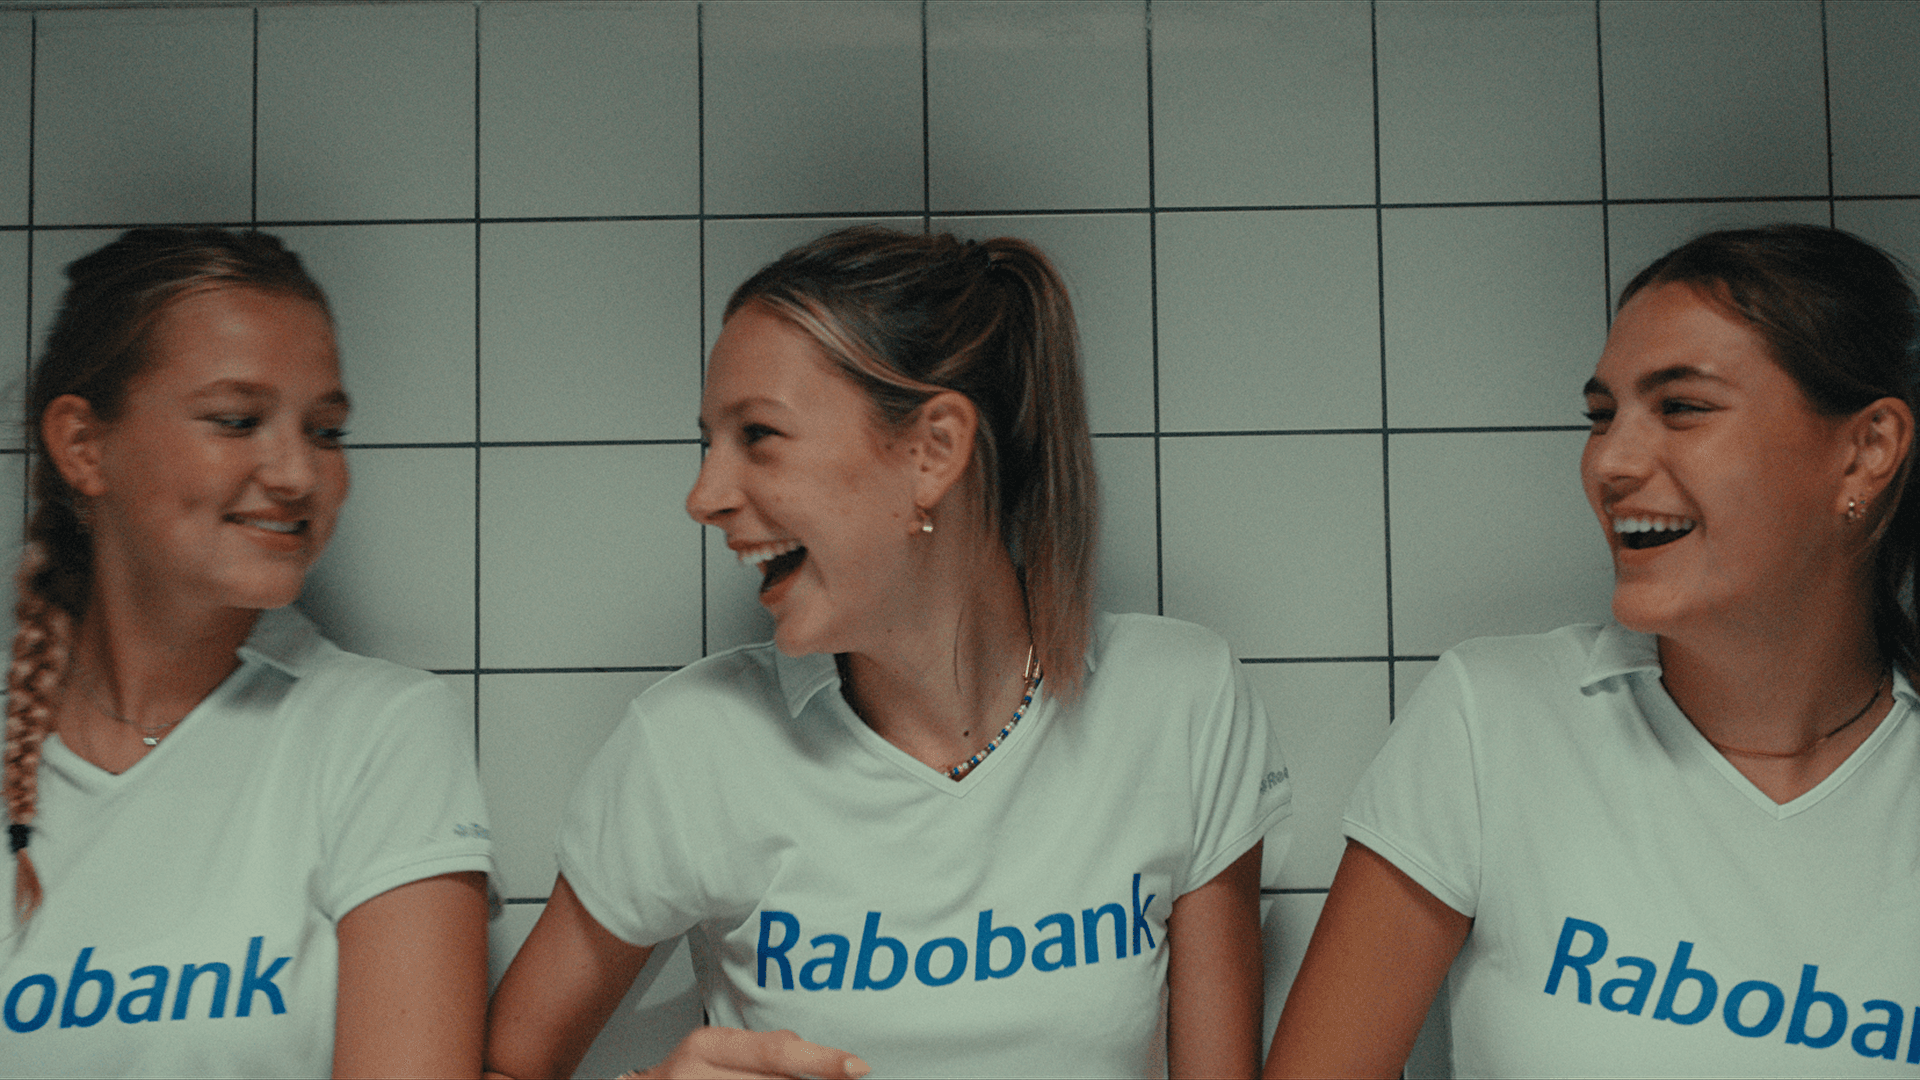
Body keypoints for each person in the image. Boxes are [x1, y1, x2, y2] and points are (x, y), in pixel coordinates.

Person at [486, 225, 1292, 1079]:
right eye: (708, 442)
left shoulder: (1178, 704)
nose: (705, 497)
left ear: (933, 450)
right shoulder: (690, 748)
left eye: (758, 435)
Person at [1266, 223, 1920, 1077]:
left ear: (1866, 450)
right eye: (1601, 416)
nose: (1610, 461)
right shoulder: (1494, 721)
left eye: (1681, 407)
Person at [0, 228, 493, 1077]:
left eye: (327, 430)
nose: (297, 473)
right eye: (238, 421)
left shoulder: (380, 736)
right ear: (83, 445)